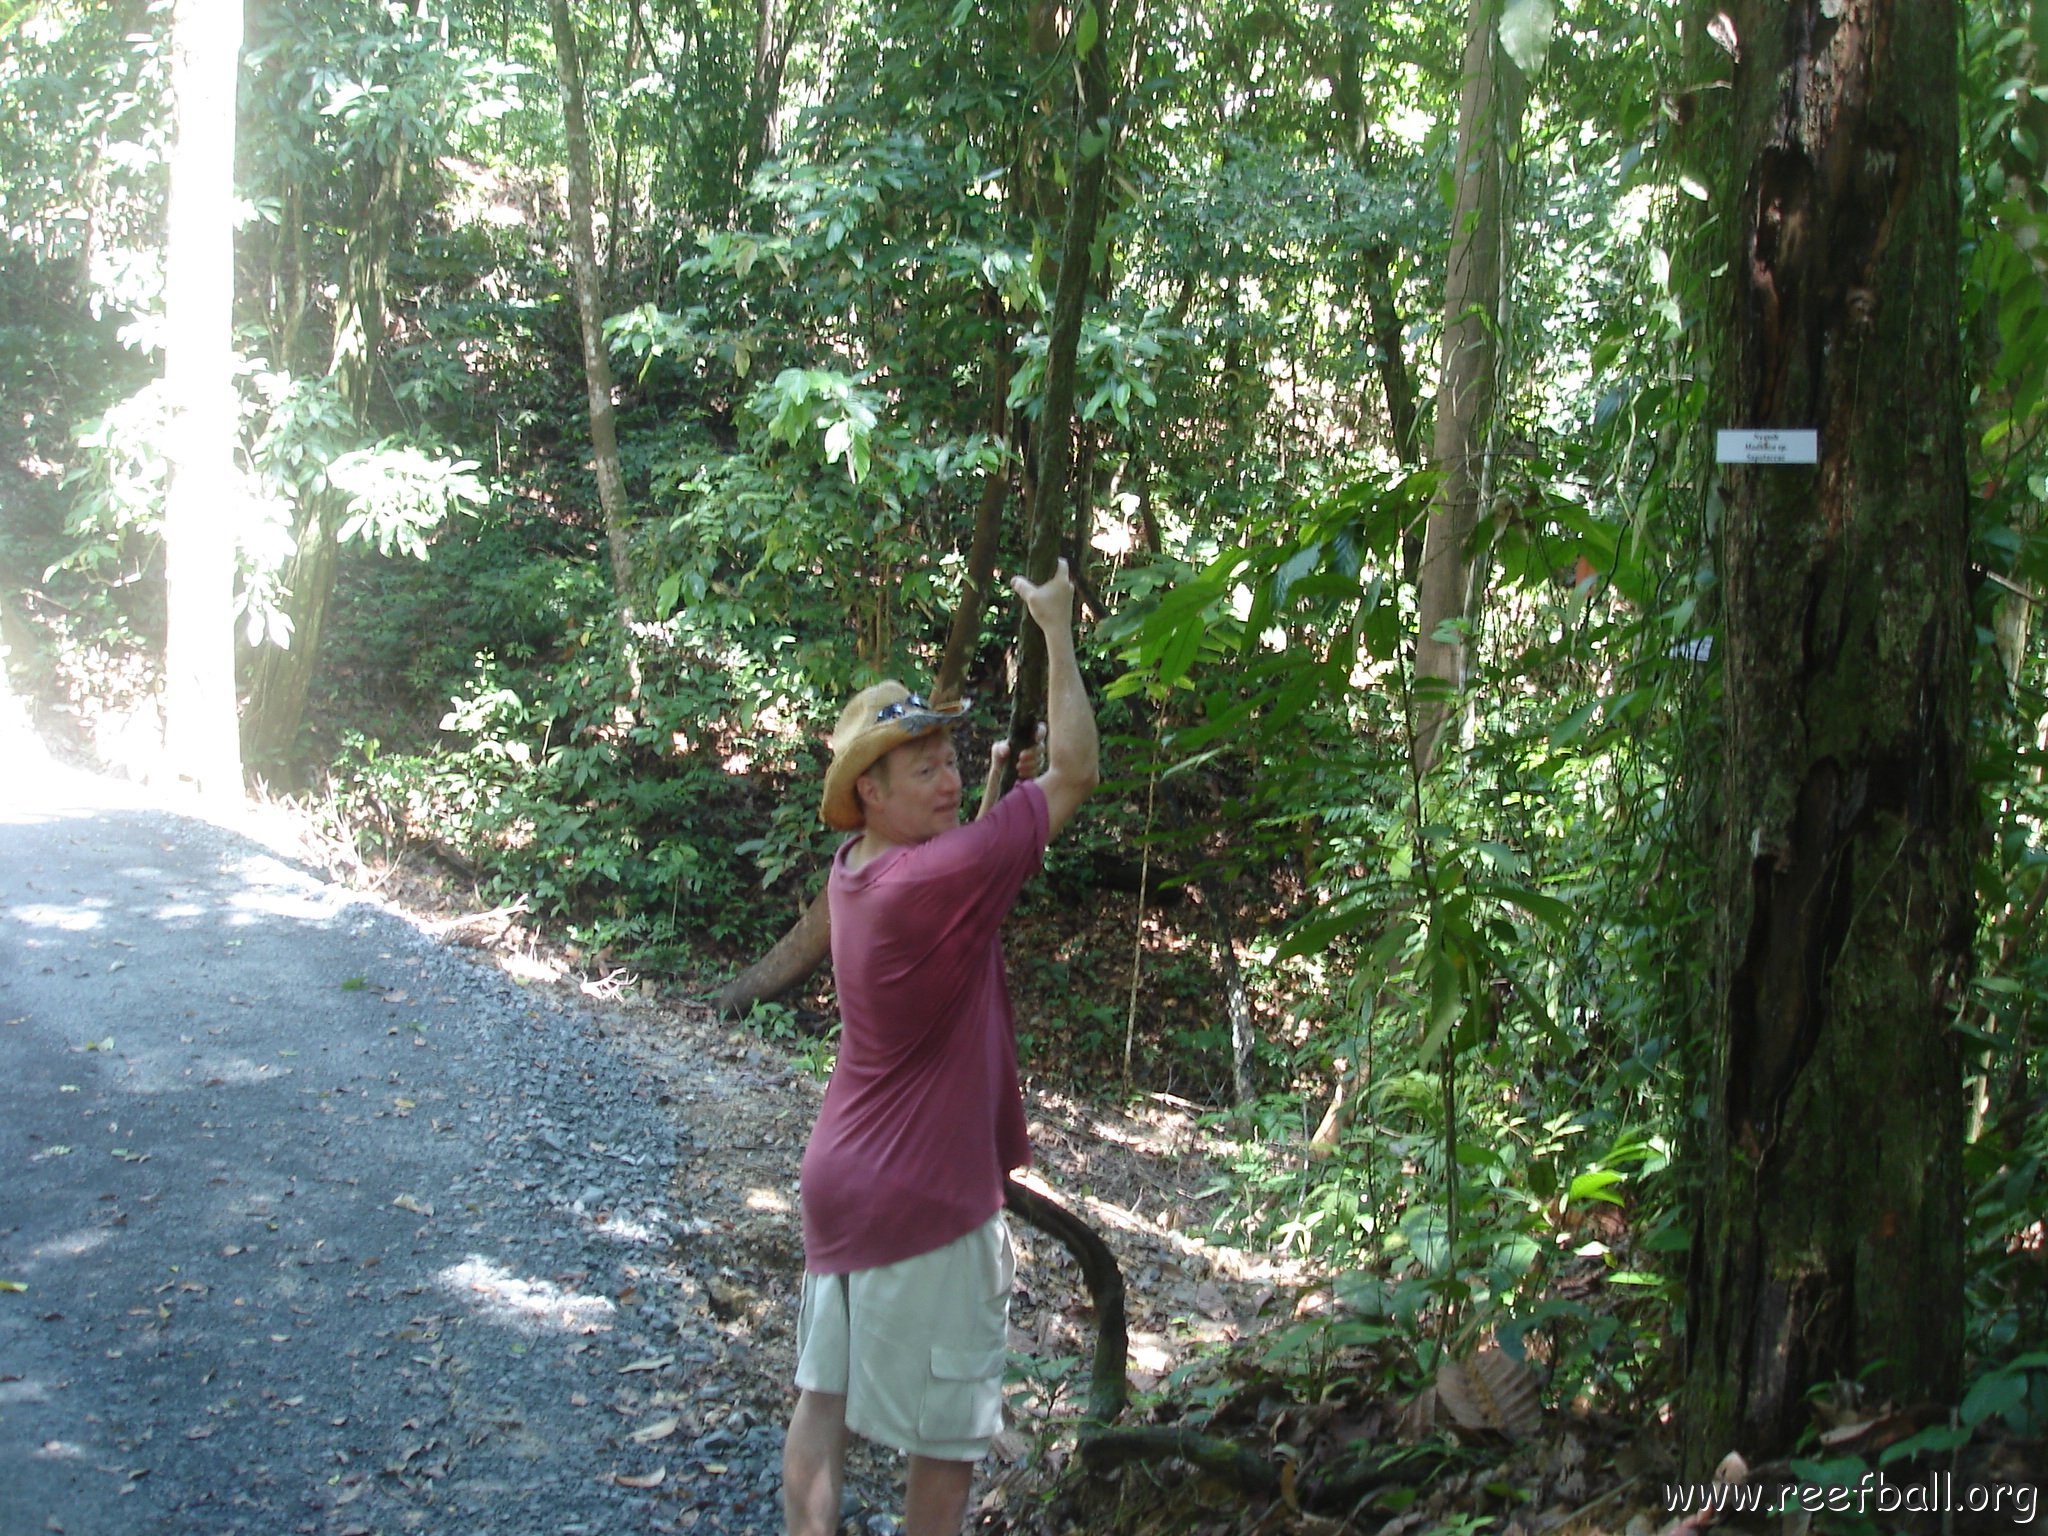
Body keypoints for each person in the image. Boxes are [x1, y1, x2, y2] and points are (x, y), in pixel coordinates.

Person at [782, 560, 1099, 1536]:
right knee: (945, 1455)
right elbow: (1077, 772)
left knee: (820, 1410)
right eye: (922, 767)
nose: (950, 778)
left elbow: (957, 879)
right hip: (924, 1195)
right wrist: (1053, 628)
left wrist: (971, 805)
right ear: (866, 789)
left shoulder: (859, 873)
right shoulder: (936, 880)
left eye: (951, 760)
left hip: (840, 1175)